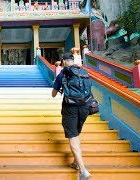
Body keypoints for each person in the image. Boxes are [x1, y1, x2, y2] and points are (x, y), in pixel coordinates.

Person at [51, 52, 91, 180]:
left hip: (70, 108)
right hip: (85, 107)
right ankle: (75, 162)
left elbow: (53, 94)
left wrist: (57, 86)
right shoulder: (83, 72)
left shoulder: (62, 74)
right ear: (73, 60)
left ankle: (83, 171)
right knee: (76, 134)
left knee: (73, 137)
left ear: (63, 61)